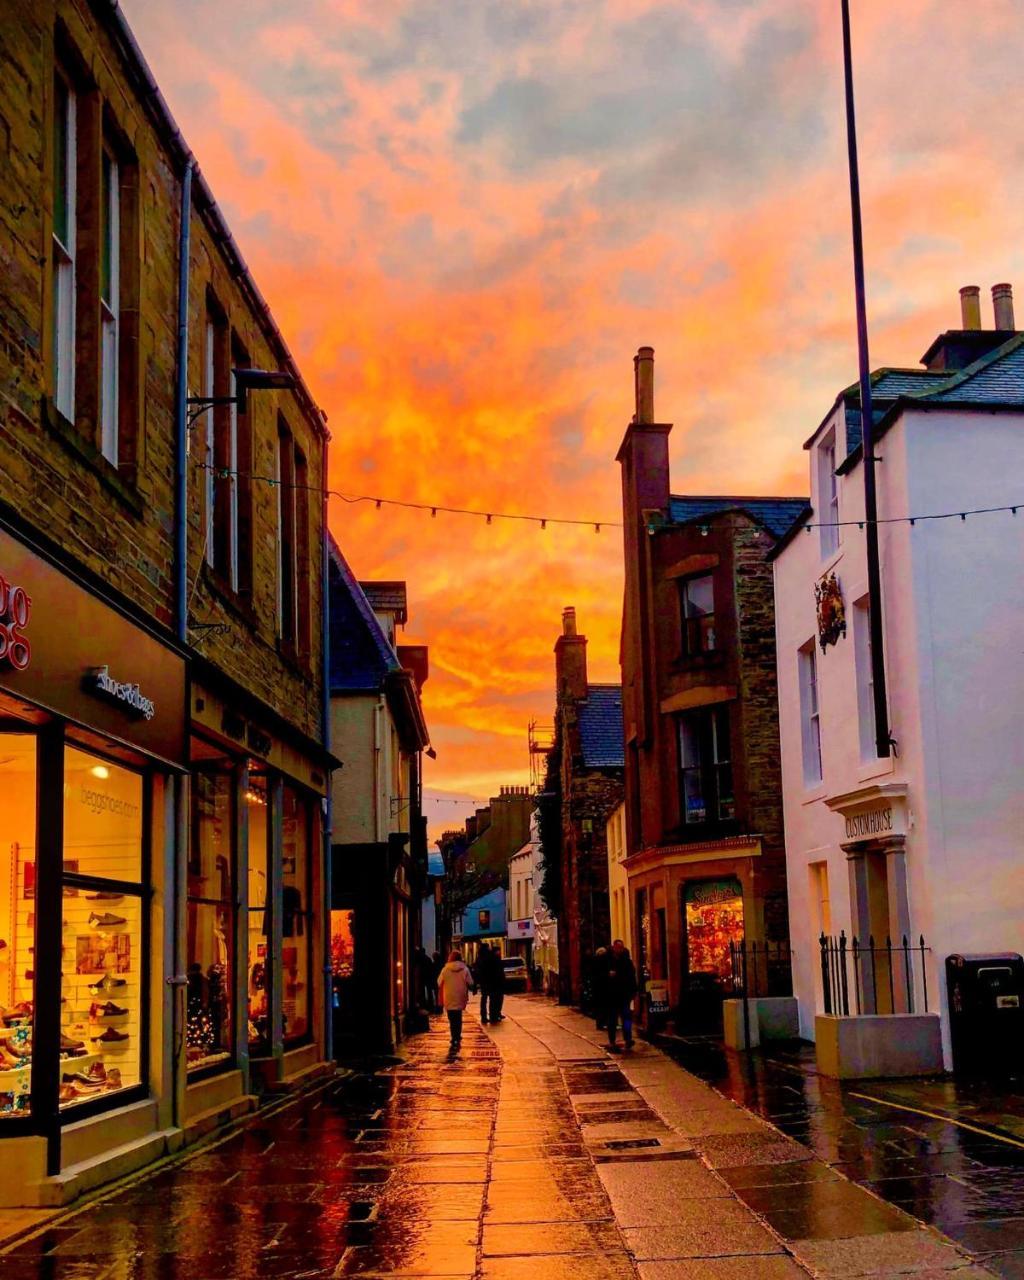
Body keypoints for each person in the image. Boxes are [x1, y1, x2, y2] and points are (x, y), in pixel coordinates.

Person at [437, 949, 474, 1051]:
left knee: (451, 1018)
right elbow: (470, 982)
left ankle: (454, 1037)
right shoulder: (465, 969)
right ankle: (457, 1035)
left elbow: (439, 982)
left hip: (448, 996)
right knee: (458, 1017)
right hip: (460, 995)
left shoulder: (445, 969)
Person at [605, 939, 638, 1052]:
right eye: (618, 947)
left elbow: (631, 977)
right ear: (614, 947)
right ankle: (612, 1040)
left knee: (626, 1018)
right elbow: (601, 976)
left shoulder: (626, 961)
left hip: (624, 995)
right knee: (612, 1020)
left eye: (621, 947)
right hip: (612, 996)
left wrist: (633, 992)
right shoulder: (608, 960)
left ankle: (628, 1039)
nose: (620, 949)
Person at [475, 944, 494, 1024]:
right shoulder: (489, 956)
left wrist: (476, 982)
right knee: (491, 998)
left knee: (484, 999)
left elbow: (477, 971)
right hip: (490, 979)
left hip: (483, 981)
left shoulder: (479, 958)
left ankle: (484, 1016)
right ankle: (492, 1015)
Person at [591, 947, 609, 1030]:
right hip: (602, 988)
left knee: (600, 1007)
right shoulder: (604, 963)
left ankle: (600, 1023)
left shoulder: (595, 962)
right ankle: (603, 1022)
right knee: (603, 1006)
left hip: (598, 989)